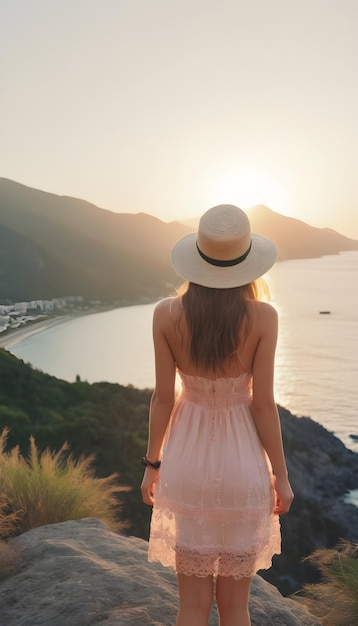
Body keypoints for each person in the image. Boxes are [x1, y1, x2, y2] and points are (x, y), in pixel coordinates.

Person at [141, 204, 294, 626]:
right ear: (246, 263)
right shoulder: (264, 317)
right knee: (235, 608)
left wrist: (152, 465)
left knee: (190, 607)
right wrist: (280, 475)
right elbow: (263, 404)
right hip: (242, 467)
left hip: (185, 466)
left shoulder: (165, 315)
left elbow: (163, 399)